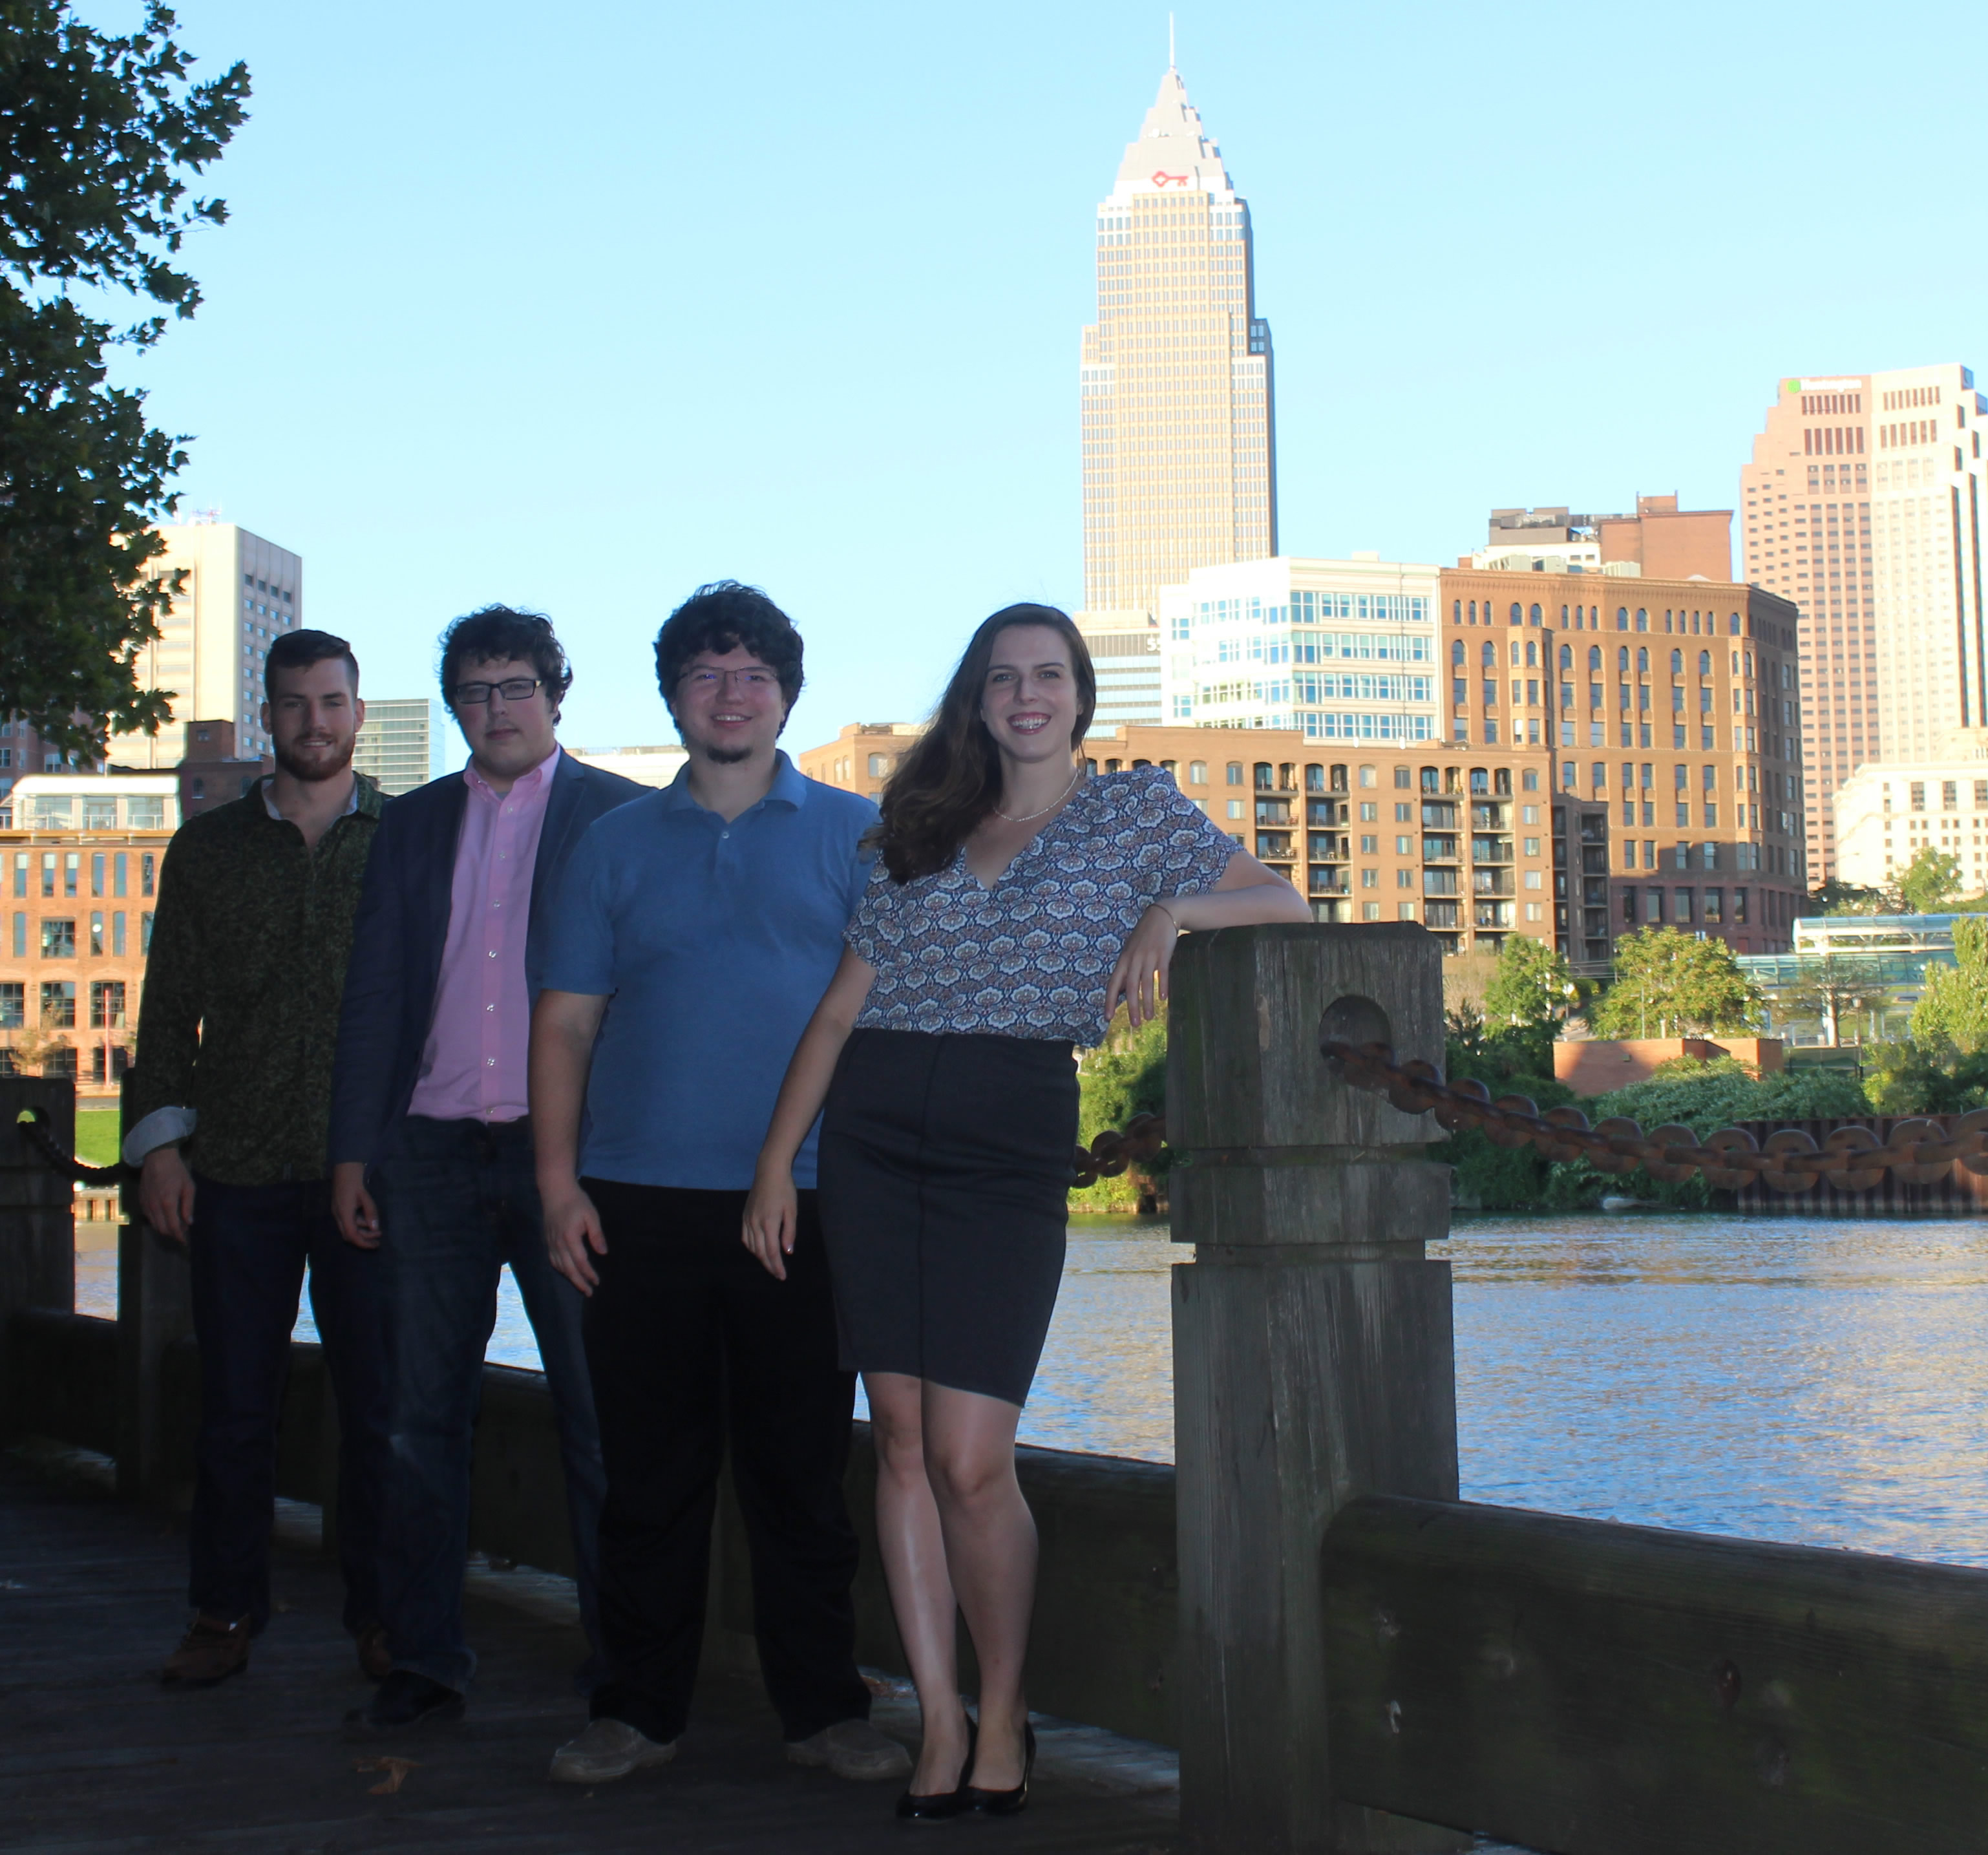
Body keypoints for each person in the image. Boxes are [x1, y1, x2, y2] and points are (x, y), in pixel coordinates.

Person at [741, 603, 1309, 1818]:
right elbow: (839, 1013)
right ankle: (939, 1719)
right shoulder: (915, 828)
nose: (1026, 693)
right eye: (1004, 676)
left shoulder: (1132, 813)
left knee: (969, 1455)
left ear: (1079, 693)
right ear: (977, 697)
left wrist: (1171, 912)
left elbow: (1284, 906)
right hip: (876, 1132)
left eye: (1048, 673)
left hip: (1008, 1136)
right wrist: (777, 1164)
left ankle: (1006, 1706)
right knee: (897, 1441)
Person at [529, 582, 911, 1788]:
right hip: (635, 1196)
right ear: (673, 696)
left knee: (802, 1471)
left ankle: (823, 1707)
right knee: (647, 1473)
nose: (730, 693)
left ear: (788, 692)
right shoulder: (614, 844)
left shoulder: (862, 838)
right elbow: (566, 1029)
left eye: (751, 673)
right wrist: (555, 1184)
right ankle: (636, 1709)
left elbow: (892, 1026)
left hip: (805, 1199)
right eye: (706, 673)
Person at [326, 608, 646, 1731]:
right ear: (453, 704)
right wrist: (353, 1152)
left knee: (601, 1417)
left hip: (573, 1163)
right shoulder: (408, 827)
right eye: (475, 690)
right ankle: (422, 1654)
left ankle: (624, 1663)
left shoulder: (621, 817)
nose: (498, 708)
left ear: (558, 695)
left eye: (517, 686)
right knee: (419, 1418)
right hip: (424, 1153)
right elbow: (372, 998)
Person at [124, 630, 393, 1689]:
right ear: (268, 715)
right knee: (235, 1406)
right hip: (233, 1167)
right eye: (293, 706)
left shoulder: (410, 841)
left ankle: (384, 1616)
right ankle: (223, 1610)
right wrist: (160, 1148)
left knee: (380, 1404)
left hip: (370, 1172)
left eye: (332, 703)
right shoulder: (209, 849)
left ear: (359, 713)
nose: (314, 724)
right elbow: (165, 1014)